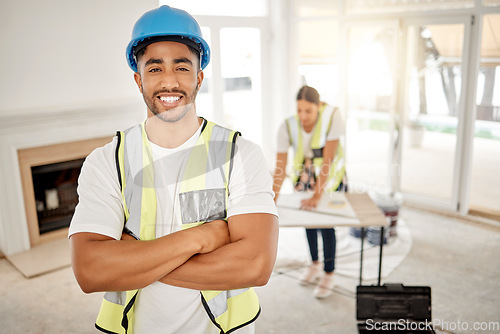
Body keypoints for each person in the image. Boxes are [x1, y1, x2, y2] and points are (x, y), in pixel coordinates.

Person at [69, 5, 279, 334]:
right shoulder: (107, 161)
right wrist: (204, 236)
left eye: (181, 67)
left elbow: (255, 264)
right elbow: (90, 271)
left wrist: (131, 256)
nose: (169, 81)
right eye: (155, 69)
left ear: (199, 76)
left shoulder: (241, 155)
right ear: (138, 79)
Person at [272, 85, 346, 299]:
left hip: (329, 177)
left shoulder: (332, 117)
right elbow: (280, 166)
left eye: (309, 111)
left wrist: (317, 195)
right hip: (304, 176)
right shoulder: (286, 127)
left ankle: (329, 273)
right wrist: (272, 198)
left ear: (319, 106)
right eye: (299, 110)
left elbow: (329, 160)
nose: (303, 116)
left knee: (324, 222)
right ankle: (314, 264)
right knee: (308, 220)